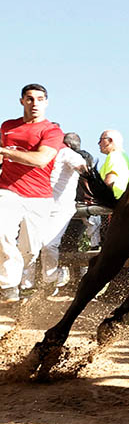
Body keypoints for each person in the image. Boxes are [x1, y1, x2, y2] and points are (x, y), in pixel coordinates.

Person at [0, 84, 65, 303]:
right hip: (8, 190)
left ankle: (19, 281)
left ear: (46, 102)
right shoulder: (8, 126)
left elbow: (41, 159)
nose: (34, 103)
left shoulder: (52, 131)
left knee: (30, 250)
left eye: (39, 99)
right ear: (22, 101)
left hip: (38, 196)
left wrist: (4, 151)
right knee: (2, 233)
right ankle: (8, 286)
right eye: (29, 99)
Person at [21, 132, 87, 294]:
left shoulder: (68, 153)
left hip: (60, 209)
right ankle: (26, 285)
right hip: (38, 206)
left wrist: (86, 175)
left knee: (49, 244)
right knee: (29, 245)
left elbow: (83, 169)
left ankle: (50, 280)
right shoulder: (39, 154)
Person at [97, 129, 129, 200]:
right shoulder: (123, 155)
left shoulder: (114, 155)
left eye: (101, 140)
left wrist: (99, 198)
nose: (99, 143)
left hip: (113, 200)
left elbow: (110, 181)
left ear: (110, 140)